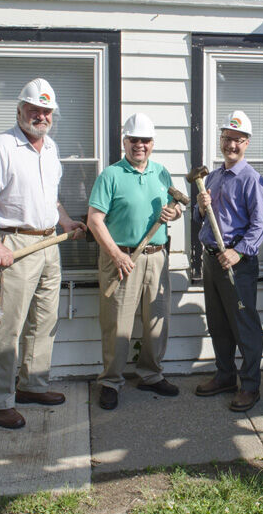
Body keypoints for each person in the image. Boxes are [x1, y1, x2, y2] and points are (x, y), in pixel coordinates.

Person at [0, 78, 86, 429]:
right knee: (8, 326)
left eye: (46, 111)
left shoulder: (50, 148)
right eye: (34, 110)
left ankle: (32, 386)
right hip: (16, 245)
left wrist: (65, 221)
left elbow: (49, 196)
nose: (41, 116)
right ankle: (0, 401)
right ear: (20, 110)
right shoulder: (3, 146)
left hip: (49, 243)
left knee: (44, 320)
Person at [87, 113, 183, 410]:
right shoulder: (111, 175)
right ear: (124, 142)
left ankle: (151, 375)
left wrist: (175, 213)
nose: (140, 145)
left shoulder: (161, 173)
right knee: (117, 324)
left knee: (157, 320)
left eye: (145, 140)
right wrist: (116, 254)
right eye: (134, 140)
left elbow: (176, 207)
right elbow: (94, 220)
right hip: (122, 257)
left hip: (156, 256)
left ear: (152, 143)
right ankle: (110, 381)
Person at [193, 111, 263, 412]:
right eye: (227, 138)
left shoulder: (252, 179)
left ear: (247, 143)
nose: (231, 145)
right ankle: (225, 375)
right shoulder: (213, 177)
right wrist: (201, 207)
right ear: (221, 140)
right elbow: (200, 219)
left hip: (238, 262)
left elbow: (261, 224)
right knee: (218, 322)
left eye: (238, 140)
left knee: (244, 325)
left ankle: (250, 386)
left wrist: (239, 251)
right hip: (211, 260)